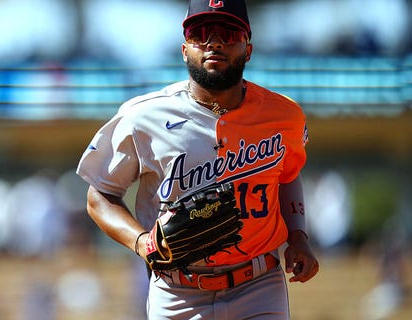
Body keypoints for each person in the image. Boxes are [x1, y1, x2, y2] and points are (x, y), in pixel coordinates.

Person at [75, 1, 319, 319]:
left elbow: (286, 174)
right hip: (177, 291)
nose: (213, 41)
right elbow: (99, 196)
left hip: (259, 284)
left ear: (248, 49)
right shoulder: (143, 116)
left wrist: (298, 236)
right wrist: (142, 243)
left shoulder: (283, 116)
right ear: (184, 48)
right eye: (200, 32)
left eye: (228, 32)